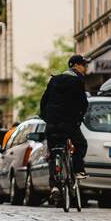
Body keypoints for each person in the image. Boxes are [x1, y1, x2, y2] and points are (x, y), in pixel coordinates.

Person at [39, 55, 90, 199]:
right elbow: (83, 103)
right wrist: (80, 118)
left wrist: (47, 118)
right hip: (69, 124)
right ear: (77, 66)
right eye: (83, 65)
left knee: (53, 153)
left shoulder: (54, 80)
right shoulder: (77, 81)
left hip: (52, 124)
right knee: (81, 145)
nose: (85, 69)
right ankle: (78, 170)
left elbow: (44, 101)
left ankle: (54, 186)